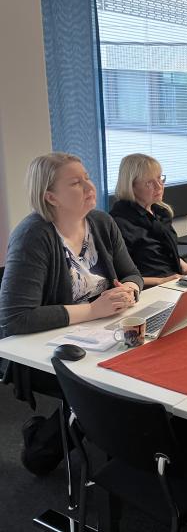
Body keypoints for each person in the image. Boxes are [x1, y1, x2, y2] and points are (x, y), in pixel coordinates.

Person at [0, 152, 143, 475]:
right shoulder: (34, 235)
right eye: (76, 183)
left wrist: (129, 291)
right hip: (48, 347)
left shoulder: (102, 223)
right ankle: (42, 447)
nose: (90, 187)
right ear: (50, 196)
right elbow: (15, 318)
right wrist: (93, 309)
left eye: (88, 178)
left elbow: (133, 274)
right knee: (114, 387)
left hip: (107, 329)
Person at [110, 153, 187, 287]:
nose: (159, 186)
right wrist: (161, 281)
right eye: (149, 183)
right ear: (131, 186)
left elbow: (167, 252)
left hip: (173, 280)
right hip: (147, 289)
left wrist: (185, 266)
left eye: (160, 178)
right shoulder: (119, 222)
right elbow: (120, 277)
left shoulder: (160, 212)